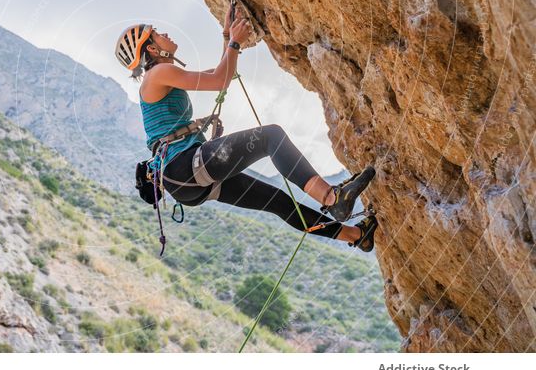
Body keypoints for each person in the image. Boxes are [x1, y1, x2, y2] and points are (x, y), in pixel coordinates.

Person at [114, 13, 378, 251]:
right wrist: (234, 43)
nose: (166, 35)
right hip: (184, 167)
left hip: (184, 181)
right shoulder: (159, 72)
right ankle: (332, 198)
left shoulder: (160, 76)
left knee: (278, 201)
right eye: (158, 33)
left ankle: (357, 236)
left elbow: (223, 73)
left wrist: (229, 38)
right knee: (270, 137)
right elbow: (220, 80)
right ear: (151, 48)